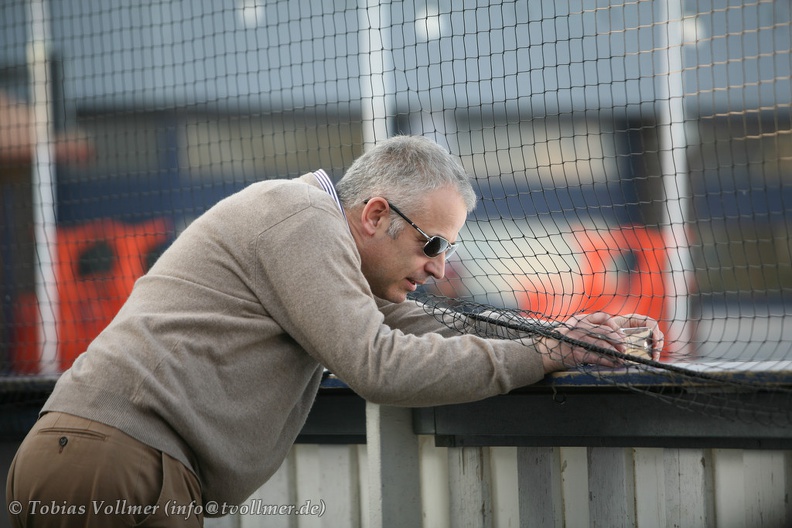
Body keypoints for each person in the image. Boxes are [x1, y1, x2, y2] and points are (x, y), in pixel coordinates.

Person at [6, 135, 663, 527]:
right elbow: (383, 366)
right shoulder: (300, 217)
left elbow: (436, 329)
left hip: (103, 461)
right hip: (117, 466)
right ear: (377, 213)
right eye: (433, 243)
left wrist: (573, 336)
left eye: (449, 253)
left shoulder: (336, 261)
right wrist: (548, 354)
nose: (439, 268)